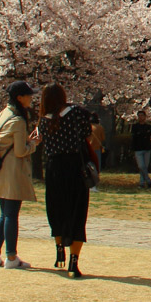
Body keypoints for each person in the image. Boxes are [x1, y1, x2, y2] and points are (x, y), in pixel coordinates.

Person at [40, 84, 91, 278]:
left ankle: (59, 248)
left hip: (54, 168)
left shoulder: (43, 121)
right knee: (77, 213)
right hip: (74, 167)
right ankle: (74, 261)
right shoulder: (76, 113)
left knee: (56, 210)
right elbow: (87, 132)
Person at [0, 81, 39, 269]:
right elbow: (20, 151)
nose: (31, 98)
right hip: (12, 172)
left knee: (4, 214)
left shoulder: (3, 114)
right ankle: (10, 257)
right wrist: (33, 144)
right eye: (28, 95)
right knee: (11, 215)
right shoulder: (18, 120)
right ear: (20, 97)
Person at [131, 111, 151, 188]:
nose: (140, 117)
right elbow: (135, 136)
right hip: (138, 148)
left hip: (147, 148)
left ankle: (142, 183)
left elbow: (148, 135)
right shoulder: (134, 127)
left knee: (144, 167)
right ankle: (148, 180)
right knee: (141, 166)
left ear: (145, 116)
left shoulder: (148, 127)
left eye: (142, 115)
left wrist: (141, 134)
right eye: (139, 116)